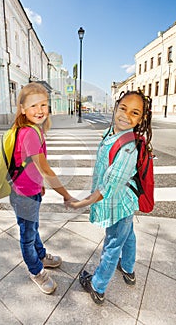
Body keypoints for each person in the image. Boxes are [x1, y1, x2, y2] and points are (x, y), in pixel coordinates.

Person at [66, 90, 152, 304]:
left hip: (117, 206)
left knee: (112, 245)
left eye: (134, 113)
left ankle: (98, 286)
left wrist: (82, 202)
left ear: (141, 119)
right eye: (123, 108)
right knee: (128, 235)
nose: (126, 115)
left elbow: (108, 187)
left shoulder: (129, 149)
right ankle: (129, 269)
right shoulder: (110, 133)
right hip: (125, 204)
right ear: (115, 107)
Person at [9, 82, 74, 295]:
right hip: (23, 195)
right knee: (27, 235)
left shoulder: (35, 130)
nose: (40, 110)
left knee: (33, 228)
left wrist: (39, 186)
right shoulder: (28, 133)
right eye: (33, 105)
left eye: (44, 104)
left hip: (31, 191)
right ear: (23, 108)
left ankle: (41, 256)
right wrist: (66, 195)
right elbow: (45, 169)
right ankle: (36, 270)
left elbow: (32, 166)